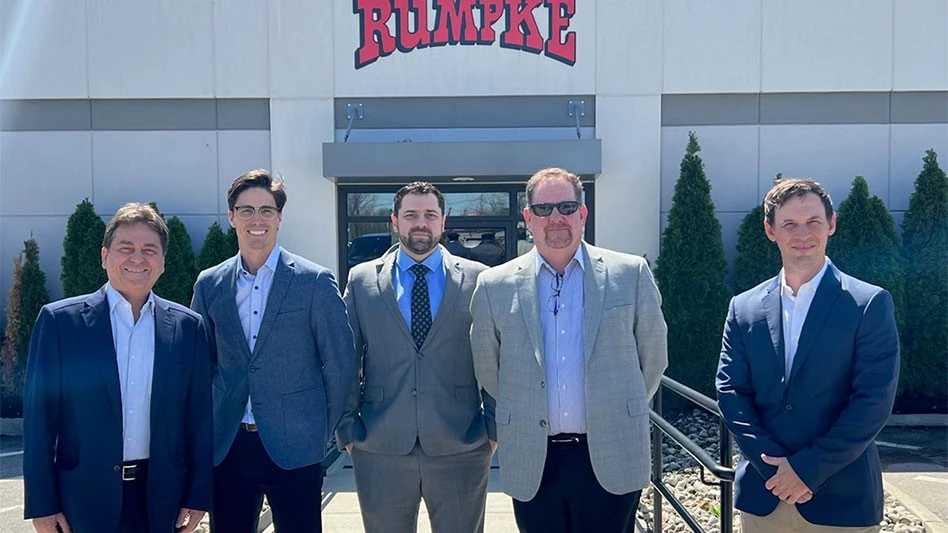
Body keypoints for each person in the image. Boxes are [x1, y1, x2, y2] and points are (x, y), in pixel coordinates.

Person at [470, 167, 668, 533]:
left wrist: (619, 407)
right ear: (528, 218)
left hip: (610, 450)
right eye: (544, 209)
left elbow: (653, 357)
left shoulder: (631, 274)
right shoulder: (493, 285)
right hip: (534, 457)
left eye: (566, 206)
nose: (556, 218)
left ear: (583, 213)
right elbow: (488, 369)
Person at [716, 178, 900, 532]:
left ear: (831, 224)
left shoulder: (869, 304)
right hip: (763, 497)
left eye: (813, 222)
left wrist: (806, 470)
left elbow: (873, 401)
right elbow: (730, 391)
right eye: (790, 224)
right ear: (771, 230)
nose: (803, 234)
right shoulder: (743, 308)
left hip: (841, 500)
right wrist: (774, 470)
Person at [23, 203, 212, 533]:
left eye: (149, 250)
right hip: (82, 501)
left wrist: (197, 497)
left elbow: (198, 421)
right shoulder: (60, 323)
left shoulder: (187, 327)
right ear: (105, 256)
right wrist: (42, 506)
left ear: (163, 262)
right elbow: (39, 422)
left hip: (161, 500)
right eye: (127, 248)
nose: (137, 258)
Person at [191, 169, 356, 533]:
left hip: (296, 444)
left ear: (280, 218)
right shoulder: (210, 283)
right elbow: (202, 364)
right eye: (246, 210)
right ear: (231, 216)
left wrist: (323, 431)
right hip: (228, 444)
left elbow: (340, 362)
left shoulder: (313, 281)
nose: (257, 220)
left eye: (266, 210)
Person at [336, 182, 494, 533]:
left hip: (462, 446)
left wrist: (492, 429)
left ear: (443, 221)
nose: (420, 222)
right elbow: (346, 358)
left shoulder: (477, 279)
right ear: (394, 221)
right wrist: (346, 428)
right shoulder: (362, 281)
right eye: (410, 215)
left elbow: (493, 357)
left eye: (429, 215)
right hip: (380, 446)